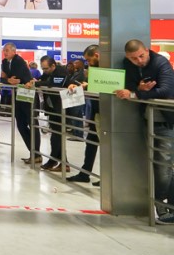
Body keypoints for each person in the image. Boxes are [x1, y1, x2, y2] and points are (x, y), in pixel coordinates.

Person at [115, 39, 174, 224]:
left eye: (141, 56)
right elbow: (127, 86)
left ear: (147, 51)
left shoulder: (160, 62)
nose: (139, 61)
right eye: (134, 58)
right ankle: (166, 206)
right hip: (149, 120)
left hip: (167, 121)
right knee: (161, 165)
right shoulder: (128, 65)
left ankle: (162, 207)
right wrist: (137, 89)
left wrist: (136, 94)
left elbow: (165, 90)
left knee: (163, 166)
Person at [68, 45, 101, 185]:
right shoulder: (94, 69)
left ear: (97, 55)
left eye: (89, 59)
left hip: (106, 111)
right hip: (96, 111)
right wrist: (83, 86)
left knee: (105, 145)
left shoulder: (107, 67)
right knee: (91, 143)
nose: (88, 63)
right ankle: (85, 172)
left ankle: (110, 177)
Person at [35, 56, 76, 172]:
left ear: (53, 66)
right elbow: (41, 79)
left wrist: (37, 84)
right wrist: (34, 81)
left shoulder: (61, 72)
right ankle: (63, 163)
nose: (44, 71)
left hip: (61, 108)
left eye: (46, 68)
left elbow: (52, 84)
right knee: (55, 135)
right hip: (53, 107)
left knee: (57, 136)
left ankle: (55, 161)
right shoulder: (48, 72)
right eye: (43, 68)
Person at [0, 42, 37, 163]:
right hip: (17, 95)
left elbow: (20, 78)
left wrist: (10, 80)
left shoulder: (19, 61)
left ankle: (36, 153)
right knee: (20, 124)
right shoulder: (5, 62)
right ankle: (32, 152)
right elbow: (3, 78)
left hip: (27, 93)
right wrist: (8, 80)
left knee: (32, 124)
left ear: (14, 51)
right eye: (4, 50)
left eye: (7, 50)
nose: (5, 52)